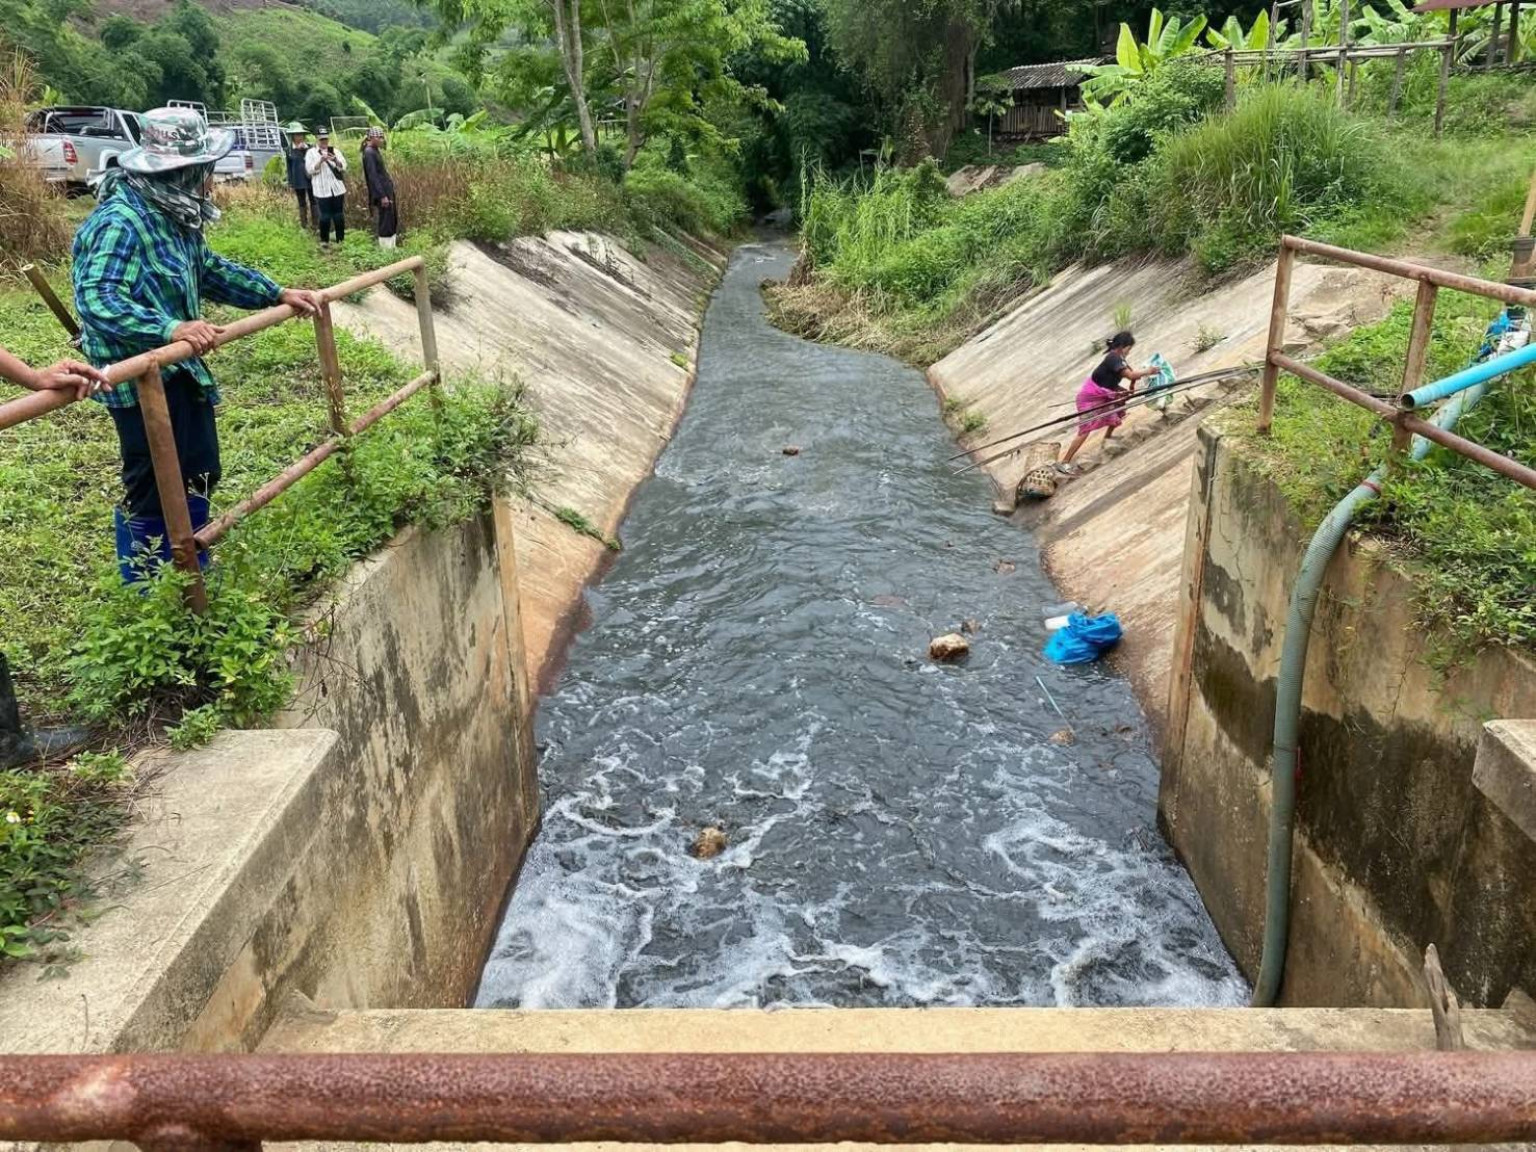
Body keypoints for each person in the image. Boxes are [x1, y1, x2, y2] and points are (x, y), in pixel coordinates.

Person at [71, 106, 323, 581]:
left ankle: (191, 563)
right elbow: (98, 298)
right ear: (180, 172)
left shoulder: (173, 216)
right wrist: (170, 328)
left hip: (180, 368)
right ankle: (149, 586)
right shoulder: (122, 221)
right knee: (153, 480)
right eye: (204, 170)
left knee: (201, 467)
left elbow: (208, 270)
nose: (210, 180)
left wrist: (275, 292)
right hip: (141, 374)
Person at [1056, 330, 1161, 475]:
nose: (1129, 352)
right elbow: (1131, 375)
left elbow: (1126, 376)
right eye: (1129, 349)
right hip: (1090, 397)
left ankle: (1108, 437)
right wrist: (1148, 371)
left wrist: (1126, 389)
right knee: (1085, 429)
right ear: (1123, 347)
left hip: (1103, 392)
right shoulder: (1113, 358)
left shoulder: (1119, 358)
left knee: (1118, 406)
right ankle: (1064, 462)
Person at [306, 127, 349, 246]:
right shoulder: (311, 153)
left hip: (337, 188)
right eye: (321, 139)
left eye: (326, 139)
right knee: (325, 216)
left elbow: (343, 167)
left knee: (338, 215)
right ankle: (324, 240)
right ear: (316, 139)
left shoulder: (335, 151)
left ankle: (340, 239)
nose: (324, 142)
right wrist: (320, 161)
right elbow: (309, 170)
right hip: (321, 189)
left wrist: (335, 160)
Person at [361, 126, 398, 249]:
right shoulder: (369, 152)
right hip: (381, 193)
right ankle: (386, 249)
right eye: (380, 137)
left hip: (386, 190)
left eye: (382, 137)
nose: (382, 140)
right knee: (385, 221)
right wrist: (382, 196)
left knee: (391, 219)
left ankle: (392, 247)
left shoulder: (374, 150)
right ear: (372, 137)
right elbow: (373, 177)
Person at [284, 122, 316, 232]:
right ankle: (304, 225)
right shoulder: (289, 150)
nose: (299, 137)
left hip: (310, 178)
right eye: (297, 134)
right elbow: (289, 167)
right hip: (297, 179)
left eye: (301, 134)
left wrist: (304, 150)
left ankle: (316, 225)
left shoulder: (310, 148)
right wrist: (290, 182)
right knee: (301, 202)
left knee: (314, 201)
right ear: (293, 136)